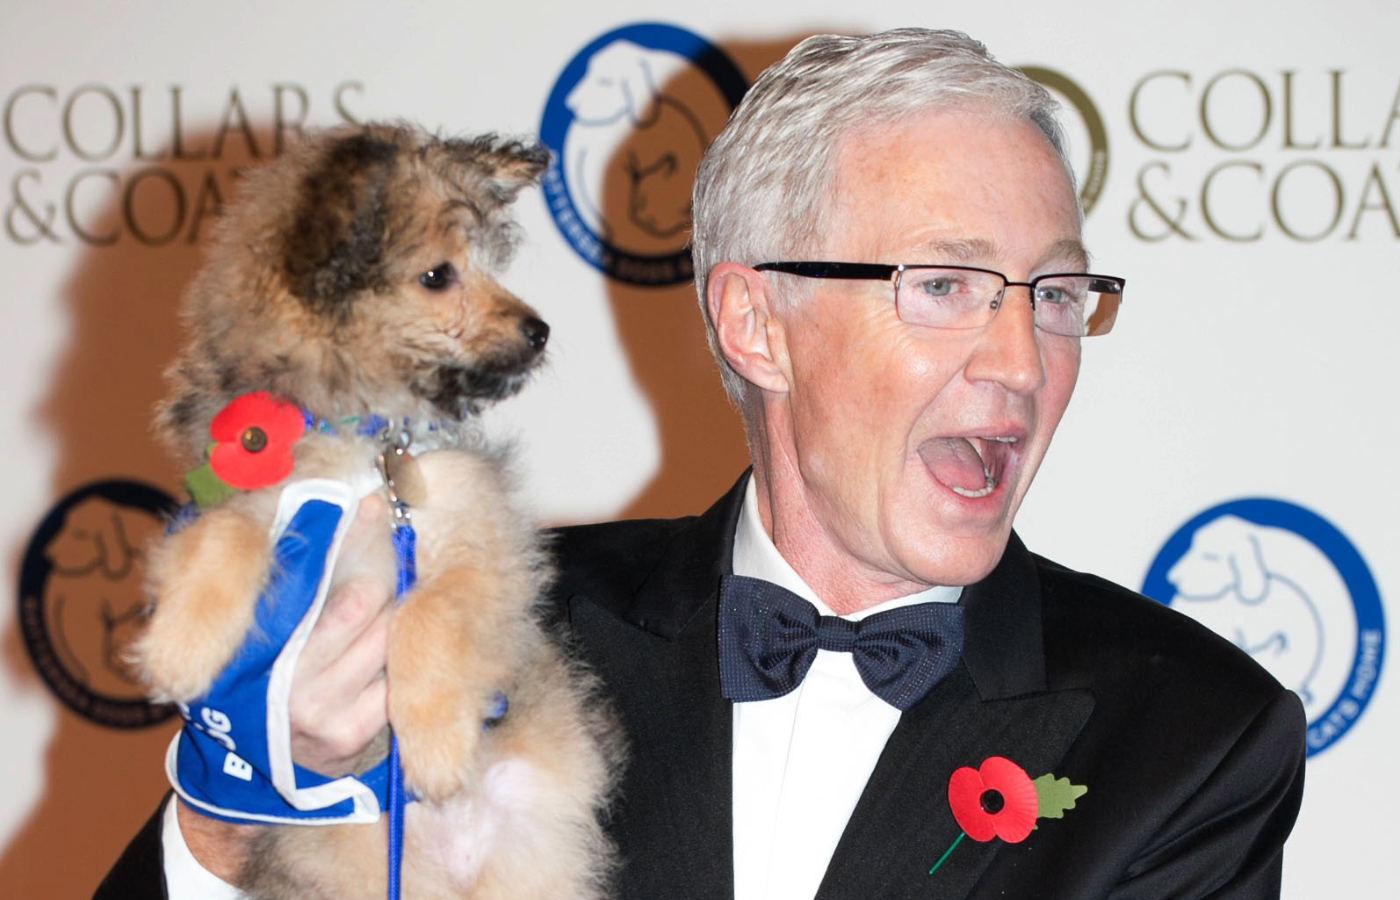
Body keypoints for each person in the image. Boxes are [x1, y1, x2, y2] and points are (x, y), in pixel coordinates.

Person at [97, 28, 1305, 900]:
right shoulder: (497, 626)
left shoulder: (1190, 739)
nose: (1022, 361)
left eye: (1052, 293)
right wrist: (231, 810)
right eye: (943, 286)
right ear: (753, 324)